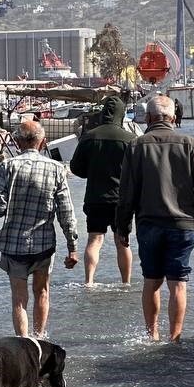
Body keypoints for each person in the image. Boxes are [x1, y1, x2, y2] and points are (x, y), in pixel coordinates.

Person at [115, 95, 194, 343]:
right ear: (173, 118)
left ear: (148, 118)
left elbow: (127, 192)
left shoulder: (136, 146)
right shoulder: (189, 144)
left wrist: (123, 227)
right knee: (178, 283)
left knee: (151, 281)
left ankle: (152, 335)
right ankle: (175, 337)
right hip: (183, 225)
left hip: (149, 224)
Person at [0, 120, 79, 338]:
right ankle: (39, 339)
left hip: (14, 245)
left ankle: (23, 345)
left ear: (18, 142)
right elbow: (66, 212)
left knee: (19, 299)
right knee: (42, 292)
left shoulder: (7, 166)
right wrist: (72, 247)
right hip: (44, 245)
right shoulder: (57, 169)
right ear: (43, 142)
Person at [69, 95, 135, 286]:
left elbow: (75, 168)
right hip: (121, 201)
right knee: (122, 241)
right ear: (121, 114)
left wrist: (90, 172)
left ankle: (89, 282)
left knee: (94, 240)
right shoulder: (130, 140)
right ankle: (126, 283)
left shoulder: (89, 137)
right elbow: (138, 171)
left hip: (95, 198)